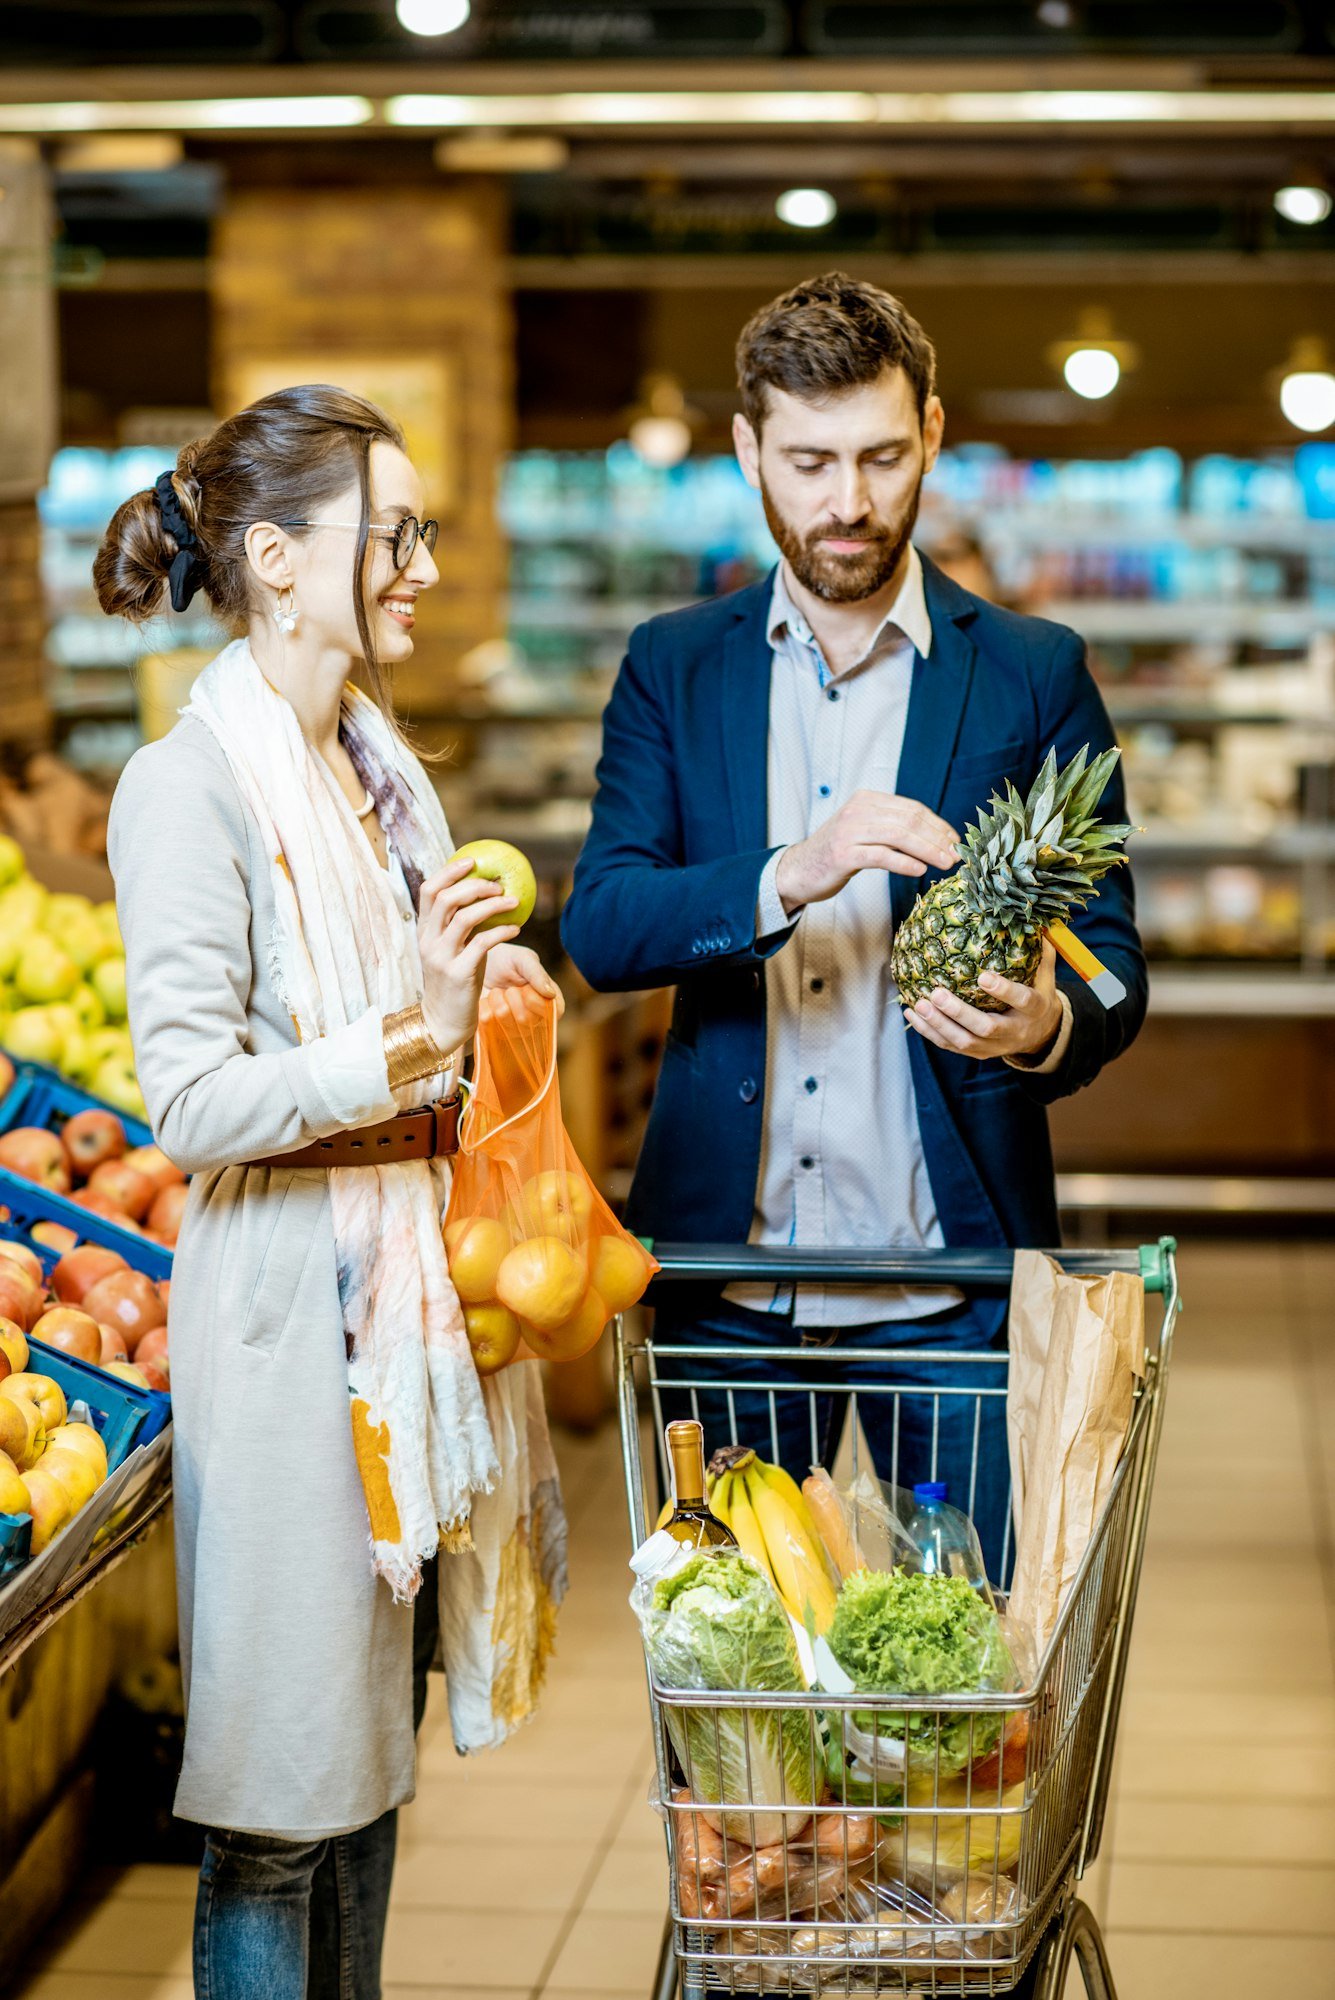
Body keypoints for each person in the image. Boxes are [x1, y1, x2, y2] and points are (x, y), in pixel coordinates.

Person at [561, 273, 1145, 1581]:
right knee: (737, 1709)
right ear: (747, 448)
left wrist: (1050, 1022)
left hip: (955, 1291)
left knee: (968, 1685)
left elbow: (1115, 965)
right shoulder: (675, 663)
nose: (849, 502)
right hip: (727, 1286)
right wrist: (790, 871)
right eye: (810, 461)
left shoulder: (1033, 671)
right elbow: (602, 922)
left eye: (883, 457)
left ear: (931, 433)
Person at [95, 385, 567, 2000]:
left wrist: (472, 1017)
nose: (425, 564)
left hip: (394, 1318)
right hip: (292, 1327)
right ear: (282, 560)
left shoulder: (375, 777)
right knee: (277, 1806)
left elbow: (416, 1040)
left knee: (366, 1783)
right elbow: (192, 1100)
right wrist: (409, 1041)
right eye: (400, 531)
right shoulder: (192, 787)